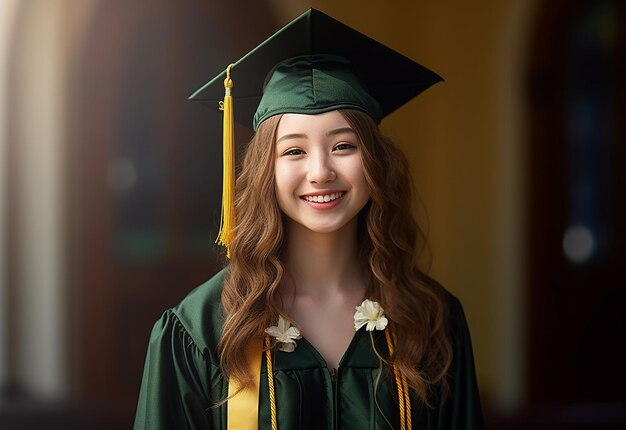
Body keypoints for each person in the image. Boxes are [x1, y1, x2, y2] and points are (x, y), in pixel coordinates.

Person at [134, 8, 484, 430]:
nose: (320, 171)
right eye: (294, 151)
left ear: (376, 163)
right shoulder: (201, 329)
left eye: (343, 146)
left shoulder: (431, 320)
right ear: (267, 170)